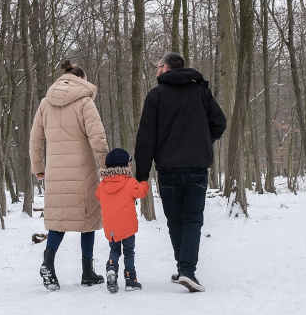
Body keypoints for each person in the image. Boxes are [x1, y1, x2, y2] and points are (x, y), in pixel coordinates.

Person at [134, 52, 226, 292]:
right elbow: (220, 122)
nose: (156, 70)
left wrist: (141, 176)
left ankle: (185, 269)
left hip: (168, 169)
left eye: (158, 66)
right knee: (192, 220)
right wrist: (204, 141)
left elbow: (146, 138)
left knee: (176, 220)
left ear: (166, 68)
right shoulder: (200, 92)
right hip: (196, 166)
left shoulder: (156, 96)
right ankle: (186, 270)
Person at [30, 60, 109, 291]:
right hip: (83, 172)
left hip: (55, 173)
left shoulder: (45, 103)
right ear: (81, 79)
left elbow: (35, 139)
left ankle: (48, 262)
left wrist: (38, 168)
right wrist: (106, 167)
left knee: (59, 221)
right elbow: (98, 137)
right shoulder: (85, 102)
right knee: (88, 221)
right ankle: (87, 272)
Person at [95, 148, 149, 293]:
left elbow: (98, 195)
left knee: (114, 250)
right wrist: (144, 183)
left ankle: (111, 268)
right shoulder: (130, 182)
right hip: (127, 227)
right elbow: (141, 192)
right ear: (124, 166)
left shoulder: (103, 185)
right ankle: (131, 279)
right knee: (129, 252)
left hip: (111, 228)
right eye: (129, 163)